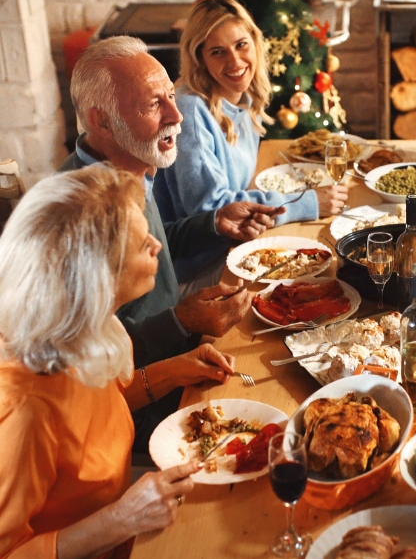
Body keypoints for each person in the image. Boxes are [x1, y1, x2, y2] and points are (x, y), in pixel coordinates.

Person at [0, 166, 226, 559]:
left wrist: (178, 368)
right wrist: (120, 519)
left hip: (125, 531)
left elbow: (104, 406)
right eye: (142, 245)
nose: (158, 245)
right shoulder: (24, 410)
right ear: (96, 278)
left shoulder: (79, 330)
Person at [61, 35, 266, 451]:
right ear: (101, 122)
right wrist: (183, 321)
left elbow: (149, 247)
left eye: (171, 97)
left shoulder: (131, 164)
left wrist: (213, 223)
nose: (177, 115)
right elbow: (91, 363)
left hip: (185, 357)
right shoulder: (77, 218)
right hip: (141, 418)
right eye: (154, 105)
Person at [153, 0, 348, 225]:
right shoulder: (190, 111)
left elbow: (238, 190)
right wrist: (304, 204)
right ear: (200, 58)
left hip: (240, 235)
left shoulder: (245, 98)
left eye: (241, 45)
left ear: (255, 43)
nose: (235, 61)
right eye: (217, 51)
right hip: (203, 256)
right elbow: (211, 210)